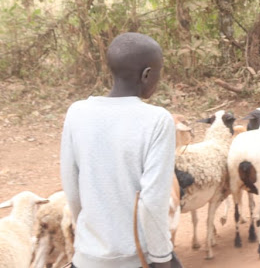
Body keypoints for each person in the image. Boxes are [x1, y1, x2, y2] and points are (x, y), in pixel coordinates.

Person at [61, 32, 180, 268]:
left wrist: (91, 237)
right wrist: (162, 259)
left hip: (87, 257)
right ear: (147, 75)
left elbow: (72, 189)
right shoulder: (157, 120)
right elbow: (152, 201)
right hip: (135, 258)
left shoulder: (76, 112)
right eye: (159, 72)